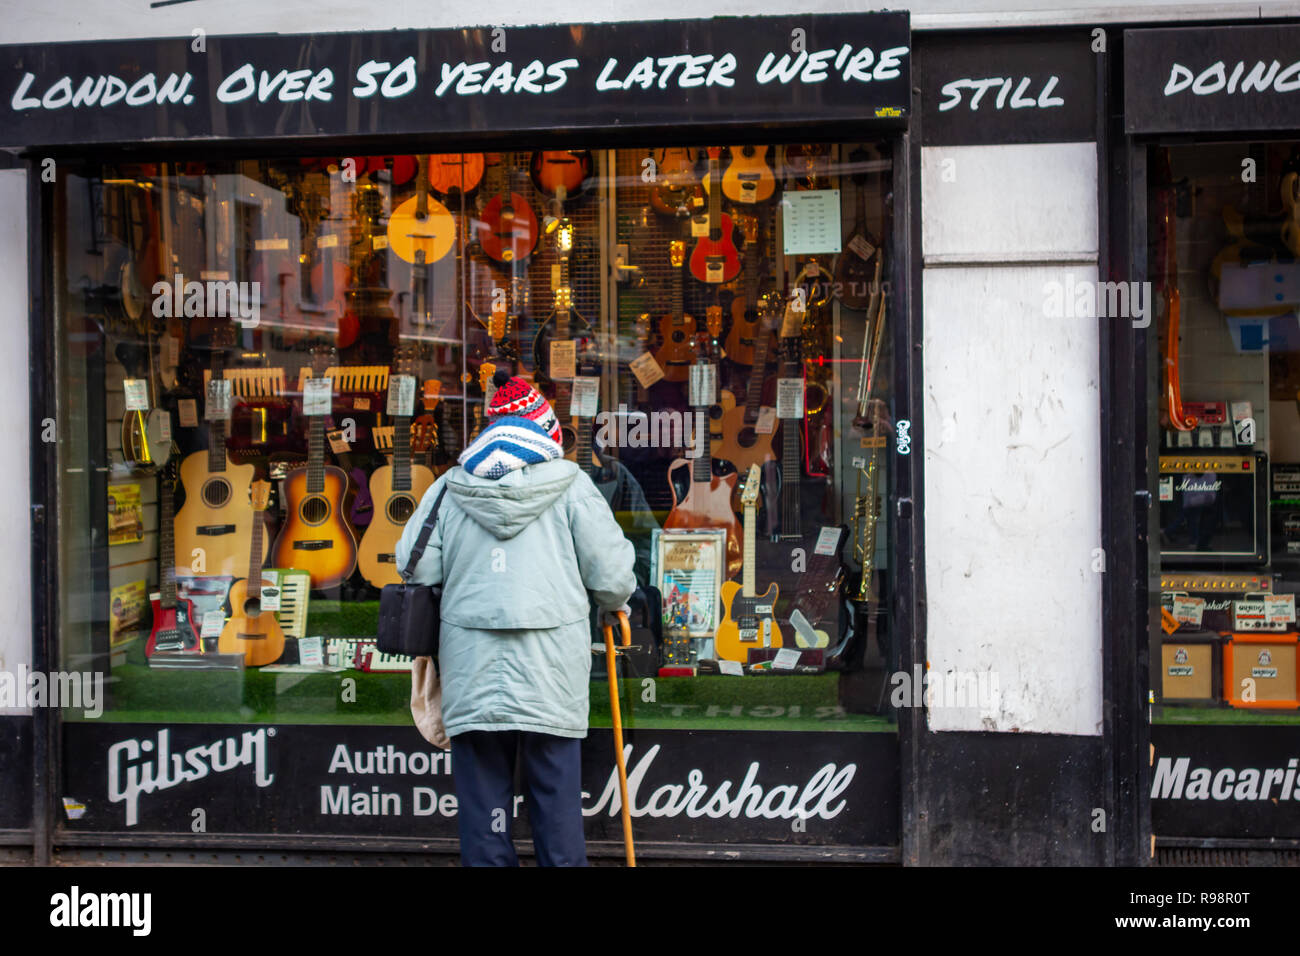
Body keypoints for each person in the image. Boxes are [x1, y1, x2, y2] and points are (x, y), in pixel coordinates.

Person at [395, 371, 636, 867]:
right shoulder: (573, 485)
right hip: (550, 671)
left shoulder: (449, 487)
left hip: (472, 668)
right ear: (546, 431)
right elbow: (612, 577)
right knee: (558, 812)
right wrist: (614, 603)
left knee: (484, 819)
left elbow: (415, 565)